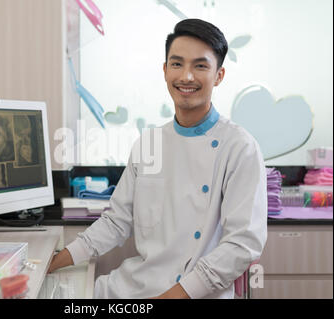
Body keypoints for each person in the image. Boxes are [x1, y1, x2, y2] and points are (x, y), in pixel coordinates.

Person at [48, 19, 267, 299]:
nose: (186, 77)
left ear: (219, 75)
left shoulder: (240, 148)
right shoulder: (149, 143)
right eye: (177, 64)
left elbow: (242, 245)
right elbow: (117, 222)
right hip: (133, 286)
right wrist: (56, 261)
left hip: (196, 293)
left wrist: (172, 296)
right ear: (165, 71)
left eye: (200, 66)